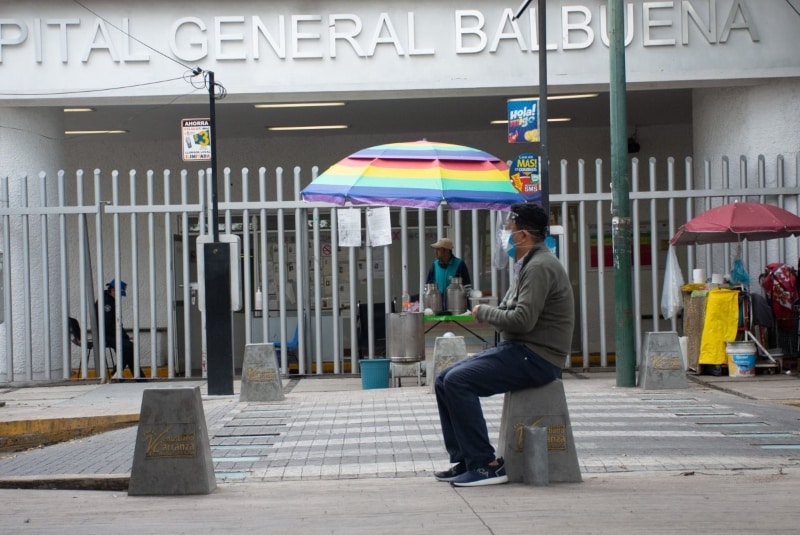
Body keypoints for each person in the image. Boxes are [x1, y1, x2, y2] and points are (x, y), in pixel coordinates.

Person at [433, 203, 574, 487]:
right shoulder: (529, 264)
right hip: (520, 350)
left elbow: (522, 320)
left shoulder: (540, 266)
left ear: (523, 236)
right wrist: (495, 311)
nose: (504, 237)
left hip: (537, 356)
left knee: (459, 381)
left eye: (508, 230)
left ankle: (487, 465)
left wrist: (484, 312)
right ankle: (467, 459)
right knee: (443, 379)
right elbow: (513, 311)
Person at [97, 279, 145, 380]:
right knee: (130, 347)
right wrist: (122, 336)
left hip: (109, 334)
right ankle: (117, 374)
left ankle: (139, 377)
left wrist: (123, 336)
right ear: (113, 290)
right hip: (106, 335)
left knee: (129, 348)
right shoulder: (107, 303)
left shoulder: (108, 299)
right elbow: (108, 325)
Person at [426, 238, 472, 312]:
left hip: (457, 310)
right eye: (435, 249)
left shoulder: (460, 264)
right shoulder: (434, 266)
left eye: (438, 249)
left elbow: (467, 288)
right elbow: (427, 287)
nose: (435, 252)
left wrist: (468, 309)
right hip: (438, 311)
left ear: (447, 251)